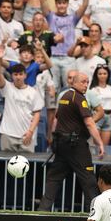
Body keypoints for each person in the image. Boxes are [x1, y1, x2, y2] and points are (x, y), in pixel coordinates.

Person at [38, 72, 104, 212]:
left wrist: (52, 136)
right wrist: (100, 143)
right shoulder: (79, 98)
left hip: (61, 144)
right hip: (76, 145)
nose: (86, 85)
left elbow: (57, 119)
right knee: (89, 181)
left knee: (54, 179)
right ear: (73, 82)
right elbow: (90, 122)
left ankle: (42, 212)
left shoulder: (64, 96)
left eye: (87, 82)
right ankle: (94, 216)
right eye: (82, 82)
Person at [0, 47, 43, 153]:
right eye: (15, 74)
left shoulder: (33, 92)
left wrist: (30, 132)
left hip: (26, 135)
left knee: (26, 166)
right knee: (6, 166)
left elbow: (37, 114)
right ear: (11, 75)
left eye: (20, 74)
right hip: (8, 133)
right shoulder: (7, 87)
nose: (18, 77)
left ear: (25, 75)